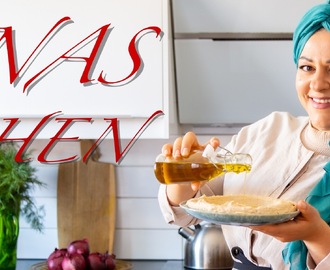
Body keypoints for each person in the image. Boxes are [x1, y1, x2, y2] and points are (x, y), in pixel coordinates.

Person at [158, 1, 330, 269]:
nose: (318, 84)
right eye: (307, 67)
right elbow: (184, 211)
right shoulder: (267, 131)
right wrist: (185, 172)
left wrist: (316, 235)